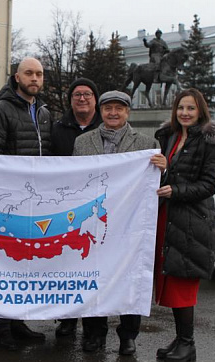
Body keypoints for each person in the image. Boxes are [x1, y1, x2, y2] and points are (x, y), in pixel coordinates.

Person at [72, 90, 165, 355]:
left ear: (128, 112)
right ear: (100, 111)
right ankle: (93, 333)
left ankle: (128, 336)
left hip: (129, 224)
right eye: (108, 108)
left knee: (129, 278)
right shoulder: (82, 142)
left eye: (119, 108)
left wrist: (163, 167)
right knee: (92, 277)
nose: (113, 113)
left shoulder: (147, 143)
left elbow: (155, 181)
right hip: (93, 223)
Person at [153, 89, 215, 362]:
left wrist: (176, 190)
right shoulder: (171, 137)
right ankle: (180, 340)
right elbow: (168, 174)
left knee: (182, 283)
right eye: (180, 108)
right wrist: (164, 171)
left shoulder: (209, 142)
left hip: (191, 222)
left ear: (200, 111)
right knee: (171, 279)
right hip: (170, 219)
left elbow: (209, 185)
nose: (185, 113)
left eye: (190, 108)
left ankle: (188, 344)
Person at [0, 57, 51, 351]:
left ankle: (18, 321)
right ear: (16, 76)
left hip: (35, 203)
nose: (35, 78)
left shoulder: (45, 113)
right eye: (29, 73)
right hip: (9, 202)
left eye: (39, 74)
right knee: (4, 265)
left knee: (26, 265)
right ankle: (0, 329)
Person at [51, 77, 102, 156]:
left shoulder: (106, 128)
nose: (82, 99)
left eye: (87, 94)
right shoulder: (56, 130)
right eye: (77, 94)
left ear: (95, 99)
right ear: (71, 100)